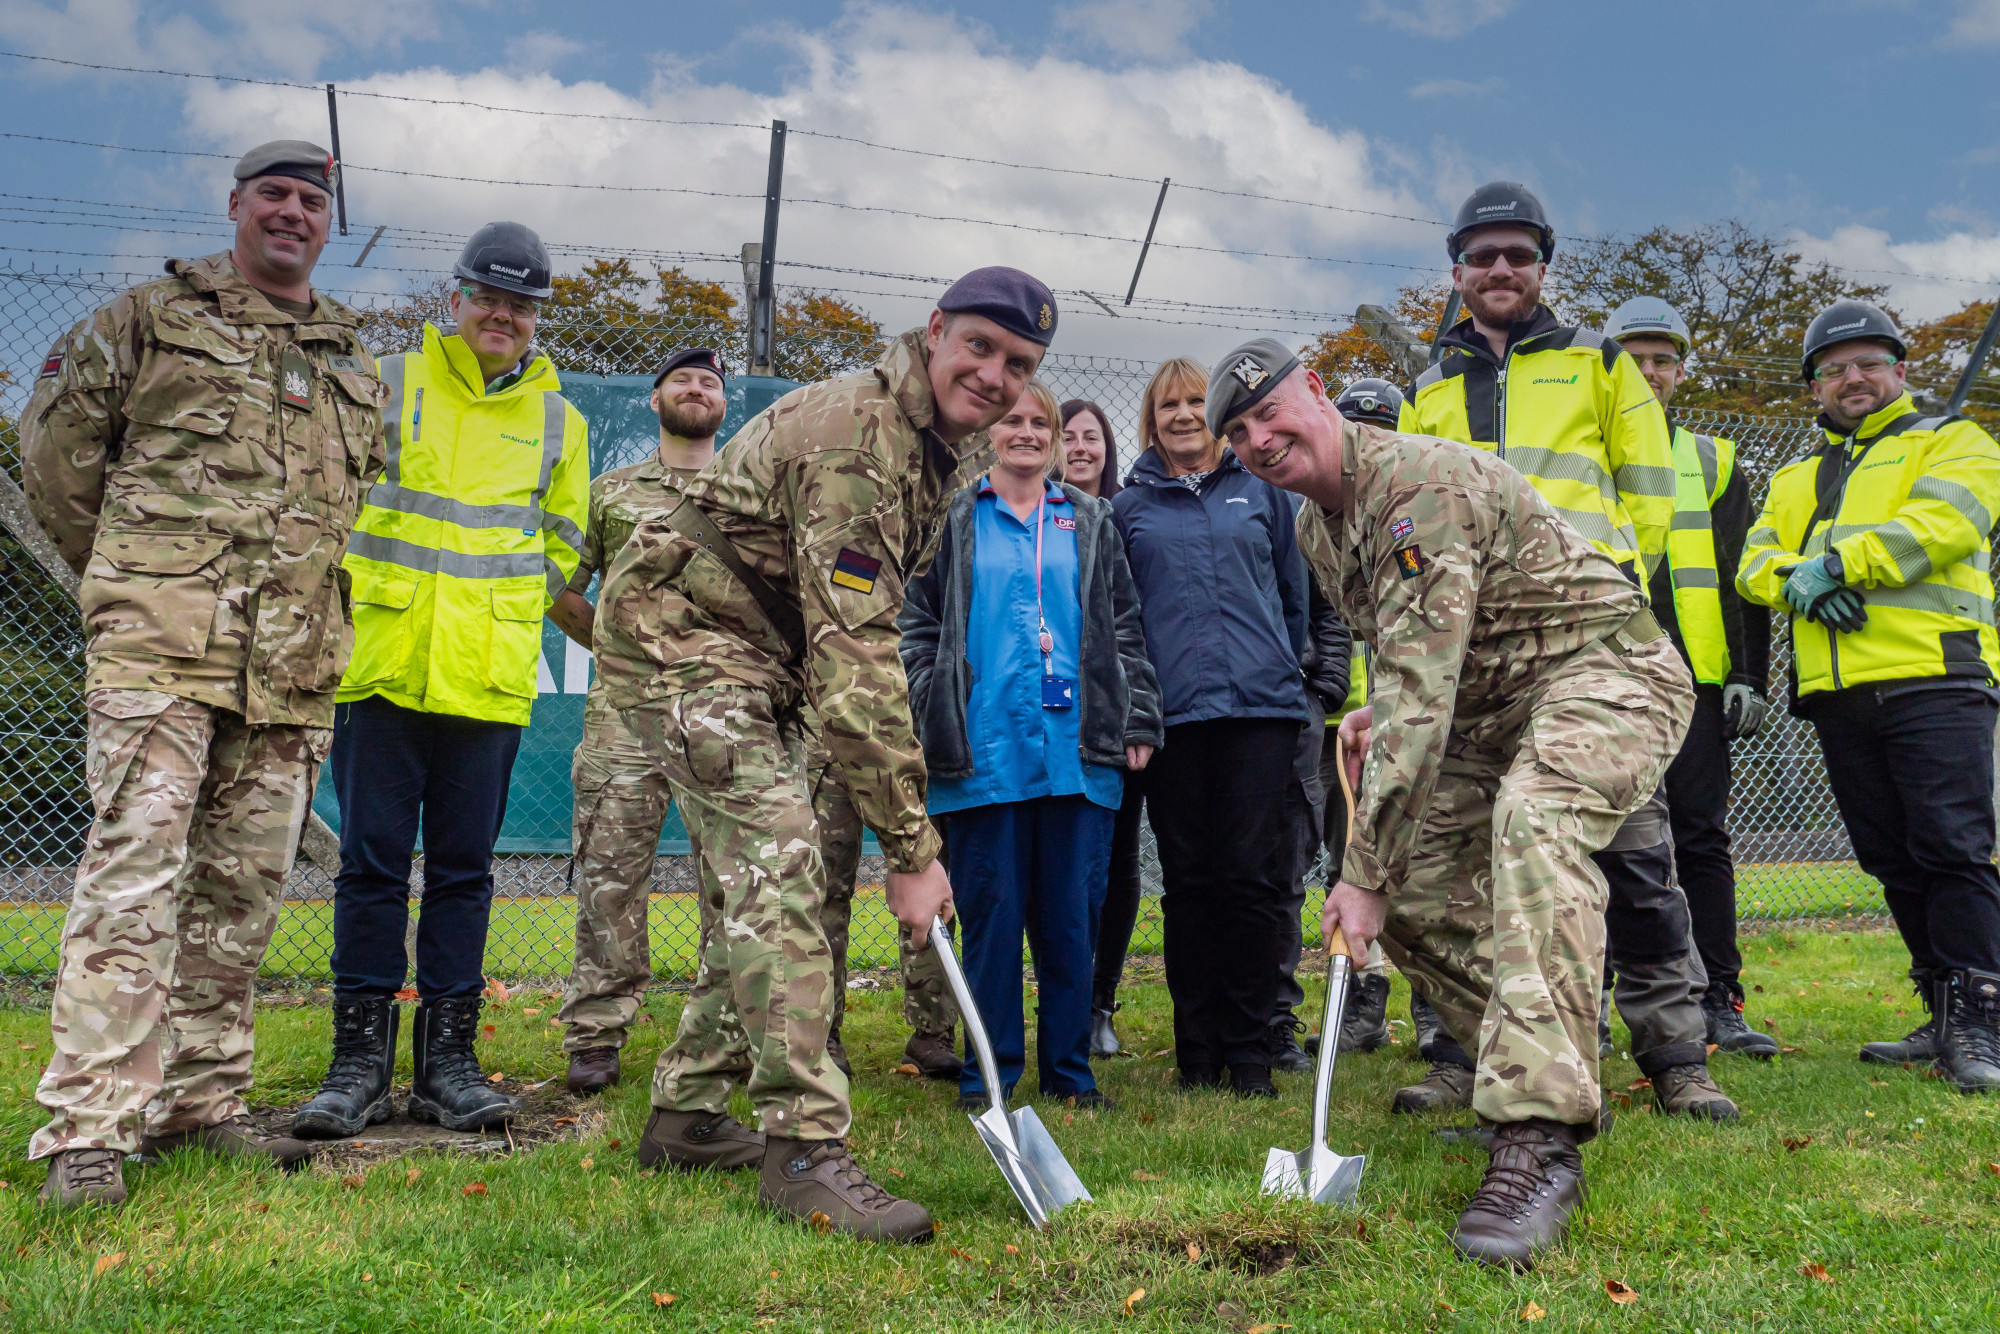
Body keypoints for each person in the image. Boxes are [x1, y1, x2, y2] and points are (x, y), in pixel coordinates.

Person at [591, 266, 1057, 1243]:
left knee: (774, 878)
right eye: (978, 346)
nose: (995, 373)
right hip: (685, 637)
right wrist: (913, 846)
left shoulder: (942, 446)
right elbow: (857, 654)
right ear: (934, 333)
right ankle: (802, 1147)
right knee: (788, 871)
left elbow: (857, 629)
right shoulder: (861, 434)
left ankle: (685, 1113)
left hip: (766, 650)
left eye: (1018, 364)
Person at [1211, 336, 1692, 1267]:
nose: (1259, 441)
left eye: (1270, 412)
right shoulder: (1318, 526)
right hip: (1490, 714)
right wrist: (1376, 713)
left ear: (1316, 392)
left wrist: (1363, 868)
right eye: (1238, 433)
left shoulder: (1416, 483)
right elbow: (1412, 666)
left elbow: (1423, 697)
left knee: (1534, 822)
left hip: (1602, 671)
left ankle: (1539, 1139)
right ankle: (1525, 1062)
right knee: (1420, 891)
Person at [20, 141, 385, 1207]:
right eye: (273, 193)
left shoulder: (348, 357)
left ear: (327, 224)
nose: (291, 211)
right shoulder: (145, 320)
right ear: (235, 205)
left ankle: (198, 1101)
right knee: (133, 877)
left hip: (290, 664)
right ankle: (87, 1125)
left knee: (240, 891)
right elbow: (56, 459)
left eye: (311, 200)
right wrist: (138, 580)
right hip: (162, 646)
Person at [1398, 183, 1736, 1124]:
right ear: (1458, 271)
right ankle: (1462, 1053)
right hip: (1474, 661)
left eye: (1517, 255)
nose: (1500, 270)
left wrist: (1599, 592)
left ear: (1544, 266)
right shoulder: (1427, 390)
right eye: (1481, 255)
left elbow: (1651, 494)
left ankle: (1676, 1052)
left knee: (1631, 853)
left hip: (1584, 648)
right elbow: (1414, 522)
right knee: (1462, 863)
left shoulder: (1601, 367)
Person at [292, 222, 591, 1140]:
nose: (504, 314)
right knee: (370, 867)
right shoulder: (385, 384)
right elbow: (325, 503)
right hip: (381, 669)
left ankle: (448, 1067)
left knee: (464, 874)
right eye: (489, 297)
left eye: (522, 304)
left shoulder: (560, 424)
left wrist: (504, 619)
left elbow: (563, 551)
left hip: (489, 680)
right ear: (454, 299)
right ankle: (357, 1066)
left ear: (536, 319)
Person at [1737, 299, 2000, 1094]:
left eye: (1868, 363)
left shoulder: (1950, 440)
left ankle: (1982, 1019)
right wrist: (1799, 583)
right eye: (1834, 368)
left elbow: (1948, 524)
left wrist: (1841, 566)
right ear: (1814, 385)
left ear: (1900, 370)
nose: (1853, 377)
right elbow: (1756, 562)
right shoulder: (1791, 478)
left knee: (1953, 847)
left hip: (1934, 675)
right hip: (1838, 692)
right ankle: (1940, 1010)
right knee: (1890, 856)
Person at [900, 380, 1161, 1111]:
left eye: (1038, 422)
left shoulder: (1090, 518)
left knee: (1070, 925)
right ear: (987, 431)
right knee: (991, 922)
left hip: (1076, 755)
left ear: (1054, 435)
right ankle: (993, 1075)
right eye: (1010, 420)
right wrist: (930, 694)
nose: (1026, 432)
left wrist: (1137, 715)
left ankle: (1071, 1076)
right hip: (983, 756)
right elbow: (916, 621)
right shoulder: (951, 518)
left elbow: (1125, 623)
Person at [1112, 357, 1313, 1098]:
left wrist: (1288, 674)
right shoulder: (1129, 509)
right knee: (1192, 887)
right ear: (1151, 418)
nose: (1183, 415)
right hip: (1176, 721)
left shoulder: (1263, 493)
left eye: (1196, 401)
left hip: (1260, 714)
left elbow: (1295, 599)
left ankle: (1254, 1050)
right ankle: (1198, 1051)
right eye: (1168, 404)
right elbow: (1123, 617)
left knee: (1255, 883)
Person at [541, 347, 728, 1094]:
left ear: (724, 403)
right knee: (612, 879)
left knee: (732, 881)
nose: (695, 388)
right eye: (682, 379)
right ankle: (595, 1033)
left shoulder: (745, 493)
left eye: (709, 381)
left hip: (724, 716)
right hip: (625, 716)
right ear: (656, 401)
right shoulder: (611, 492)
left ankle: (726, 1031)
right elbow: (558, 584)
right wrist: (622, 645)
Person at [1603, 298, 1778, 1059]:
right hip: (1604, 672)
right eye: (1635, 358)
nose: (1649, 372)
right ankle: (1598, 1001)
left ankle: (1720, 999)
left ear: (1679, 370)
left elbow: (1742, 574)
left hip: (1696, 680)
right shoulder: (1588, 446)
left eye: (1662, 360)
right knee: (1601, 840)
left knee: (1701, 840)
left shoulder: (1712, 458)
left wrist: (1748, 673)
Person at [1062, 400, 1142, 1056]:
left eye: (1092, 437)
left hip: (1119, 721)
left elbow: (1135, 621)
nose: (1080, 447)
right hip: (1052, 722)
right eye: (1069, 436)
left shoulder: (1128, 515)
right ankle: (1054, 1002)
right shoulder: (1029, 518)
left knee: (1116, 865)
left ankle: (1099, 1004)